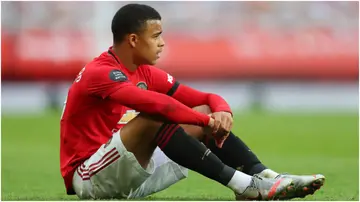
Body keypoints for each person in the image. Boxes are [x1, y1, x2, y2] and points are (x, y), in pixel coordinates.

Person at [60, 3, 324, 200]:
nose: (162, 43)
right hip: (90, 177)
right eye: (156, 36)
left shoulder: (144, 71)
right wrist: (206, 122)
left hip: (127, 172)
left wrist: (220, 111)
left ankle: (267, 177)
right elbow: (157, 107)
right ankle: (246, 187)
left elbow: (206, 99)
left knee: (202, 111)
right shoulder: (101, 71)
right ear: (133, 40)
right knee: (156, 118)